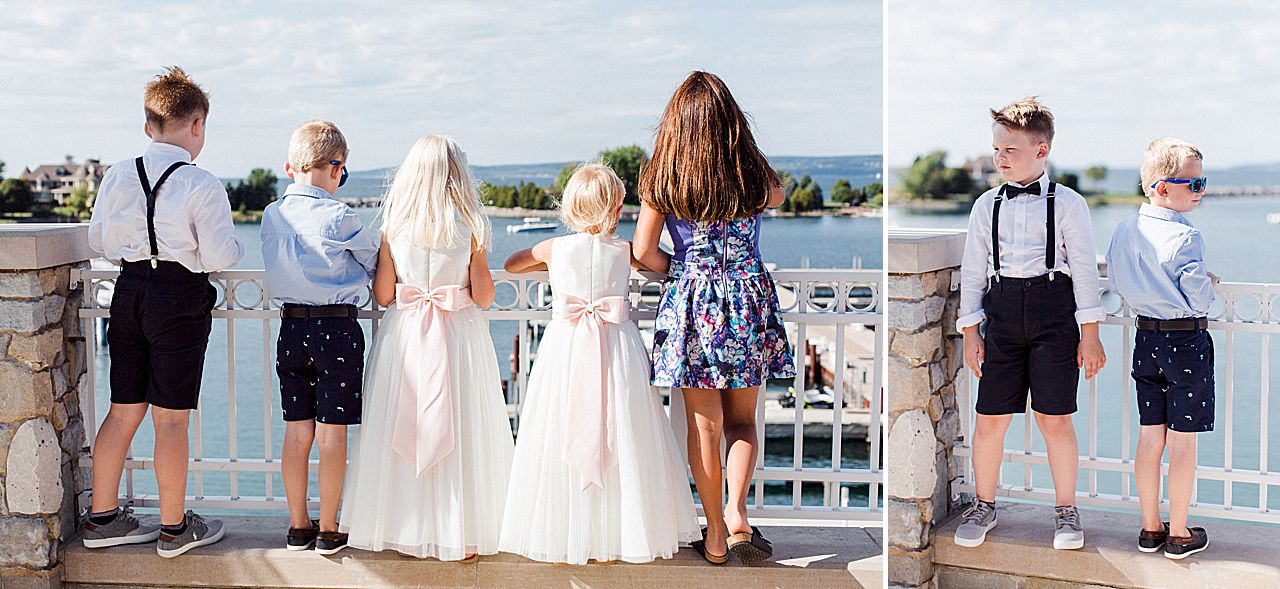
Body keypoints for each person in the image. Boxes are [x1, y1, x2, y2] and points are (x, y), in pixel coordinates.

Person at [499, 163, 699, 564]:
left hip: (565, 346)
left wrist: (548, 264)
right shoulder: (625, 251)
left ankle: (563, 533)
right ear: (616, 207)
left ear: (570, 206)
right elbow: (660, 264)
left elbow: (511, 264)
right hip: (617, 346)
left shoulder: (553, 249)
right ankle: (618, 534)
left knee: (561, 427)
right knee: (622, 430)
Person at [632, 71, 795, 564]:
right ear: (732, 120)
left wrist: (681, 269)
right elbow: (780, 195)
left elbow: (642, 251)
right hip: (747, 299)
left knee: (703, 426)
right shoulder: (753, 174)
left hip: (691, 303)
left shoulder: (665, 176)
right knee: (742, 423)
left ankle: (716, 536)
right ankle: (739, 513)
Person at [83, 66, 243, 558]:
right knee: (171, 421)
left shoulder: (117, 174)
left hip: (128, 292)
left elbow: (98, 242)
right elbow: (220, 257)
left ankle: (103, 519)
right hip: (179, 297)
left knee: (123, 409)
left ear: (148, 126)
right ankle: (175, 529)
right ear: (197, 125)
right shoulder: (202, 183)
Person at [339, 135, 514, 562]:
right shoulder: (470, 225)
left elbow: (383, 294)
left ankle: (407, 529)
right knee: (461, 427)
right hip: (457, 336)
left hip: (407, 333)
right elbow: (486, 296)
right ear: (458, 175)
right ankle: (463, 533)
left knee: (404, 422)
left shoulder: (393, 228)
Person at [953, 97, 1106, 550]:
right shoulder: (986, 205)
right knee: (990, 419)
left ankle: (1066, 512)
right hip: (1000, 316)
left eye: (1010, 150)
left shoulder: (1069, 204)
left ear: (1041, 151)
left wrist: (1090, 334)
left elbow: (1082, 270)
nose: (1000, 158)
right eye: (996, 149)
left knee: (1054, 418)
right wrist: (970, 331)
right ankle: (984, 505)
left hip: (1054, 316)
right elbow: (973, 270)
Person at [260, 120, 378, 554]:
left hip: (291, 327)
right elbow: (372, 263)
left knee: (297, 430)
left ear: (289, 167)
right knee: (332, 432)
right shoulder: (340, 215)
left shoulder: (273, 213)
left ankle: (297, 524)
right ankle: (329, 528)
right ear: (337, 168)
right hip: (336, 328)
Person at [1107, 138, 1216, 559]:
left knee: (1151, 437)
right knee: (1182, 442)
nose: (1200, 191)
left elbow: (1117, 280)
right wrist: (1206, 280)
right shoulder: (1186, 236)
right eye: (1194, 183)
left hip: (1145, 339)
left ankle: (1150, 527)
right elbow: (1198, 298)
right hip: (1184, 342)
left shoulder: (1125, 229)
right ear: (1161, 187)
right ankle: (1181, 532)